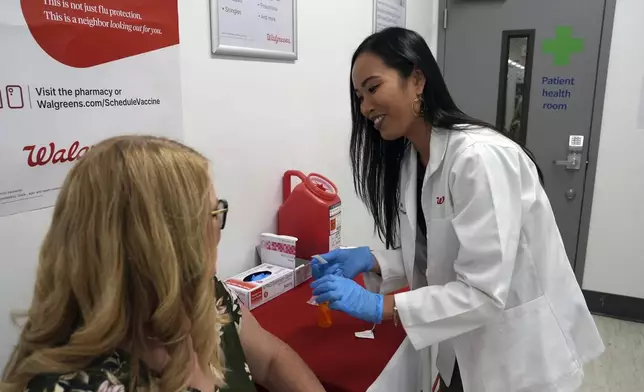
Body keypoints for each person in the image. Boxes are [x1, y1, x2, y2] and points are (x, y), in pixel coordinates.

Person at [311, 28, 604, 392]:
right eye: (359, 96)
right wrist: (371, 261)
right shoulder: (412, 160)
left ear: (417, 80)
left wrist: (380, 306)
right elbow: (436, 257)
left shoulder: (478, 159)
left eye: (373, 88)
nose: (365, 107)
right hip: (463, 350)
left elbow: (482, 291)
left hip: (519, 360)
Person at [1, 136, 325, 392]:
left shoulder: (204, 294)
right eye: (212, 215)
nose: (218, 229)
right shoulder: (75, 384)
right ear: (159, 242)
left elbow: (271, 359)